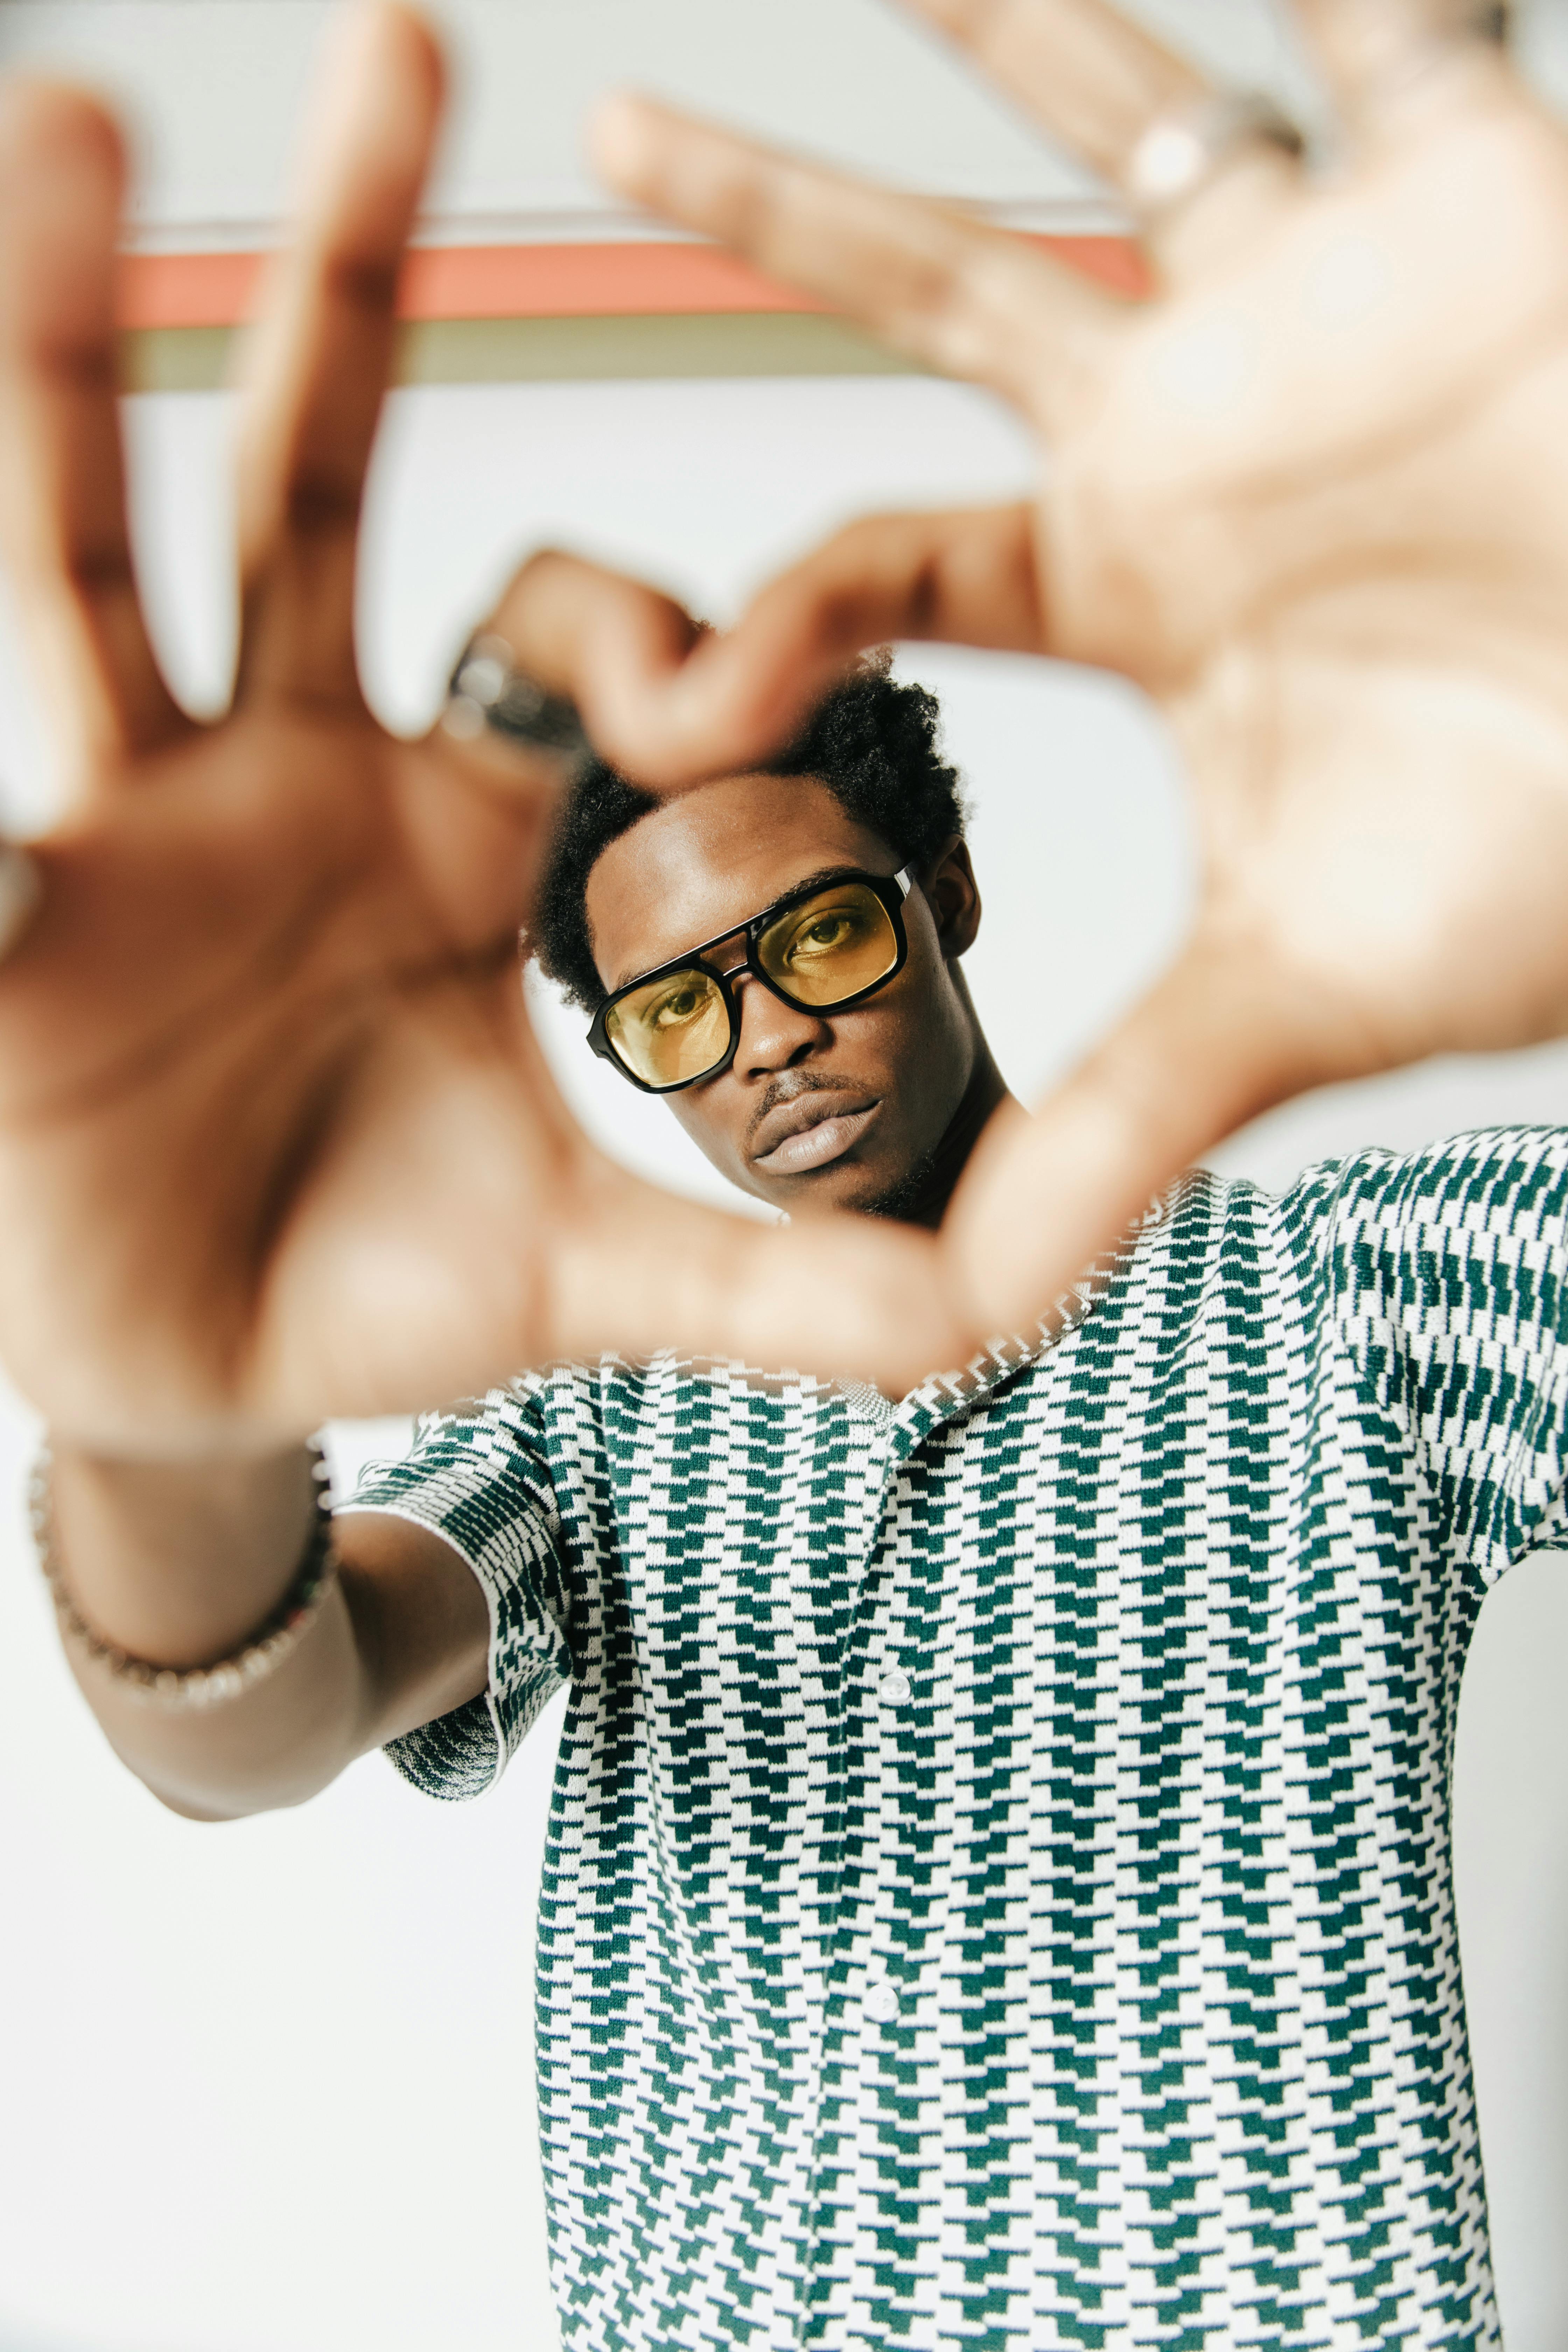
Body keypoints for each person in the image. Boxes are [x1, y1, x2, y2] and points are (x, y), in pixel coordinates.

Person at [6, 0, 1568, 2342]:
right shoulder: (602, 1418)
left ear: (946, 897)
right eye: (677, 1007)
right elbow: (255, 1722)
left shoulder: (1361, 1292)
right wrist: (163, 1403)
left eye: (819, 933)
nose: (772, 1042)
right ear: (625, 1061)